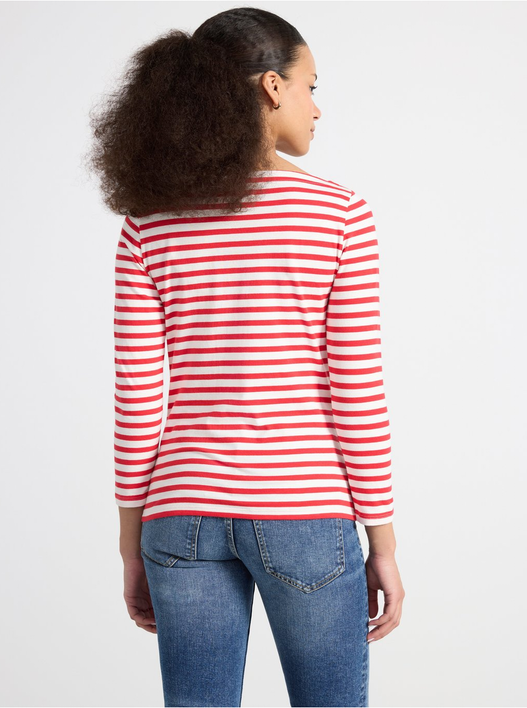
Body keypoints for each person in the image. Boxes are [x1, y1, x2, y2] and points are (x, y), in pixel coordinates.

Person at [86, 6, 405, 707]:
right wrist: (382, 541)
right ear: (271, 86)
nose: (316, 107)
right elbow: (356, 389)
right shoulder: (339, 215)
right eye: (310, 86)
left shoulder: (148, 224)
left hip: (180, 516)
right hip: (306, 512)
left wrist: (131, 544)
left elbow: (137, 398)